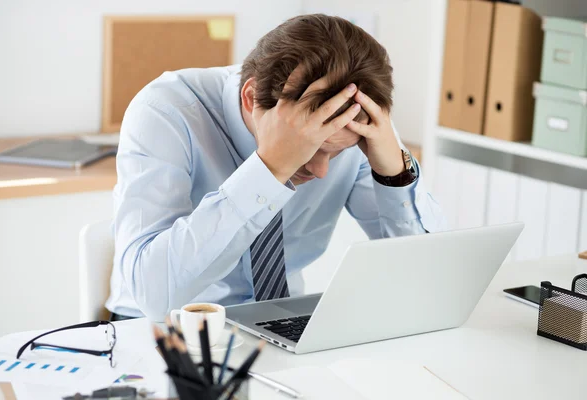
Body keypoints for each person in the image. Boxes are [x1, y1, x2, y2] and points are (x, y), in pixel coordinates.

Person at [106, 14, 447, 321]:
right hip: (161, 332)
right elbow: (153, 295)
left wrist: (395, 176)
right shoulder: (166, 111)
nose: (320, 171)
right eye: (309, 147)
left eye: (335, 153)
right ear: (252, 99)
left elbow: (424, 284)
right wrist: (269, 169)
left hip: (282, 323)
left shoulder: (353, 125)